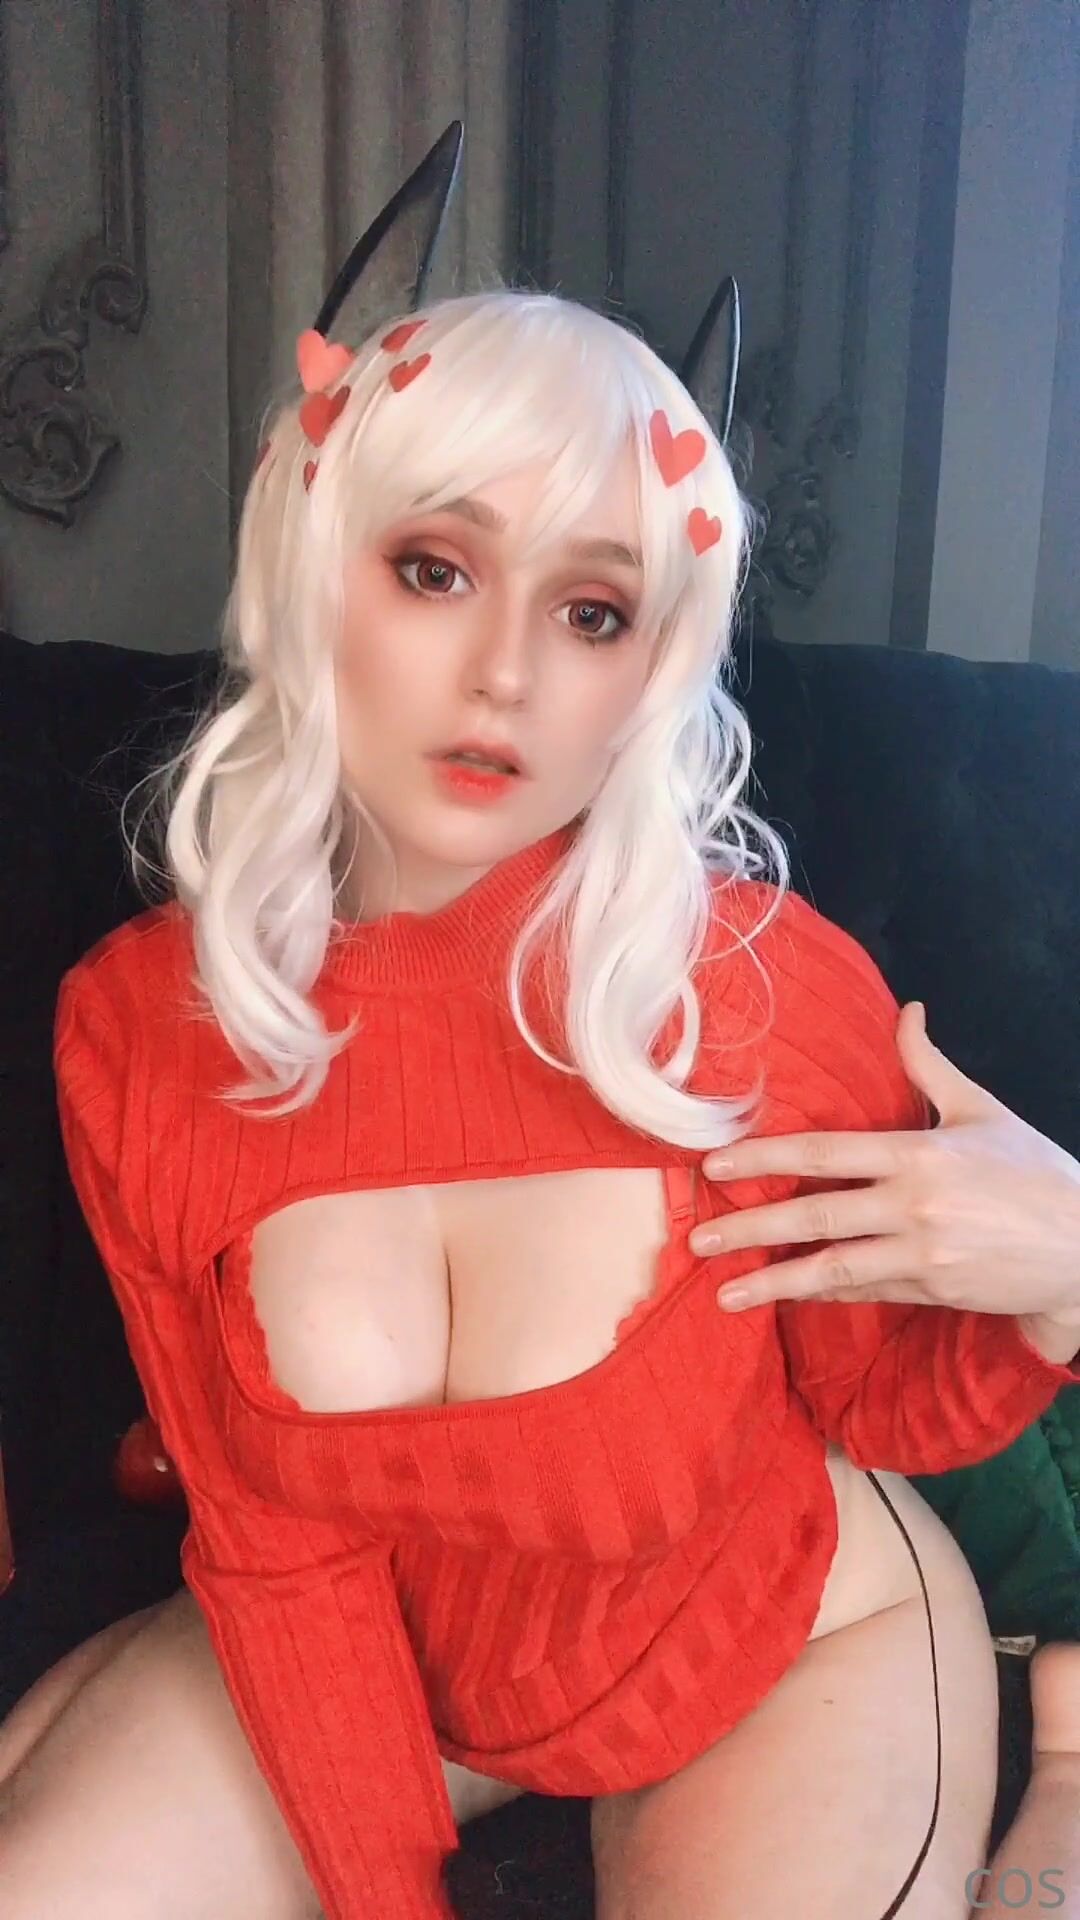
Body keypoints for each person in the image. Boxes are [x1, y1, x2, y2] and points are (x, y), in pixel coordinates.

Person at [2, 283, 1080, 1920]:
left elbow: (886, 1409)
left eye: (591, 610)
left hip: (775, 1640)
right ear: (312, 566)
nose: (503, 673)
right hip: (391, 1666)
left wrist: (1065, 1264)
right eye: (435, 571)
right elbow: (278, 1556)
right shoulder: (141, 1032)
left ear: (651, 668)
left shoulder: (759, 990)